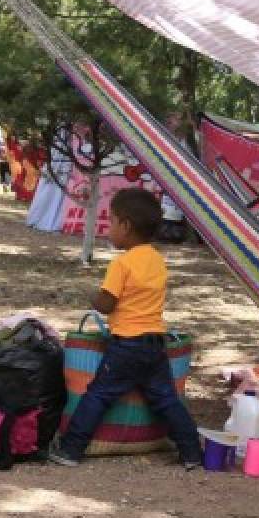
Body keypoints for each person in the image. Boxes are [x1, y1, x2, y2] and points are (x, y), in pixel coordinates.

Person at [48, 188, 203, 468]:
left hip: (126, 345)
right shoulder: (157, 260)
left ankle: (71, 448)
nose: (108, 228)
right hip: (156, 344)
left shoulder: (122, 264)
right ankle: (192, 451)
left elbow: (107, 304)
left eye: (111, 221)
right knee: (167, 399)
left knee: (98, 395)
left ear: (126, 226)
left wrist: (93, 297)